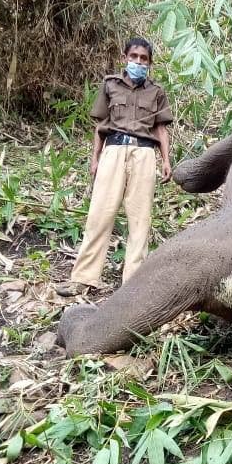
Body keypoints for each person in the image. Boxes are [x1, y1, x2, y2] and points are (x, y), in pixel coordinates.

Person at [55, 38, 174, 296]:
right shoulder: (110, 85)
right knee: (100, 214)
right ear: (125, 57)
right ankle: (84, 278)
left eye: (144, 59)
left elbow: (161, 128)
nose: (138, 62)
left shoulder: (157, 91)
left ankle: (132, 286)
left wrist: (166, 160)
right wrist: (95, 157)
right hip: (113, 150)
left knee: (140, 220)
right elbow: (99, 126)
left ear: (150, 62)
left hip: (144, 154)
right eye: (134, 56)